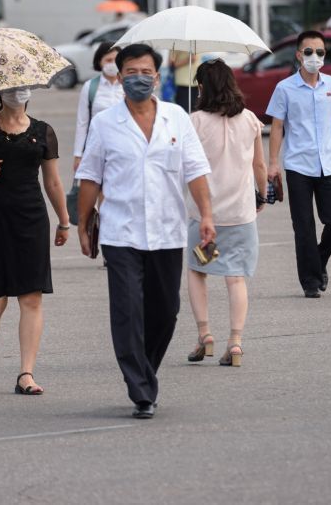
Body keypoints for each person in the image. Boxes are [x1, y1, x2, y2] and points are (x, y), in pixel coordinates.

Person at [76, 43, 215, 419]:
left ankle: (145, 371)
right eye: (132, 73)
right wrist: (83, 224)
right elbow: (89, 177)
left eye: (146, 72)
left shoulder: (176, 118)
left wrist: (206, 215)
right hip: (121, 233)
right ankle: (141, 389)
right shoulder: (105, 122)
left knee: (166, 310)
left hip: (168, 231)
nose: (140, 78)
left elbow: (196, 170)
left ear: (158, 76)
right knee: (127, 311)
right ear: (120, 78)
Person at [0, 89, 70, 396]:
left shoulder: (44, 130)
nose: (19, 93)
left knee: (31, 299)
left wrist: (64, 219)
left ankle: (26, 374)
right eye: (11, 89)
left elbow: (53, 181)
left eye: (24, 88)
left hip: (31, 219)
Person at [185, 60, 267, 367]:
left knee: (197, 270)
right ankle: (235, 342)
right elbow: (259, 165)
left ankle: (204, 335)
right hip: (240, 214)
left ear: (202, 87)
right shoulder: (250, 120)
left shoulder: (194, 122)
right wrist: (261, 195)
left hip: (204, 214)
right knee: (236, 278)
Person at [267, 30, 331, 298]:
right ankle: (310, 281)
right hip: (298, 165)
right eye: (309, 52)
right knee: (303, 226)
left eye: (320, 52)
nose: (314, 57)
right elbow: (277, 127)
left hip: (328, 163)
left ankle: (320, 259)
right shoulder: (284, 88)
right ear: (298, 55)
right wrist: (273, 163)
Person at [72, 42, 124, 172]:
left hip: (124, 146)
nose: (113, 64)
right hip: (97, 148)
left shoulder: (127, 85)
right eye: (108, 60)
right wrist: (78, 155)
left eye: (116, 60)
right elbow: (82, 123)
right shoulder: (90, 87)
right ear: (99, 61)